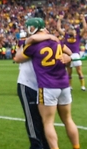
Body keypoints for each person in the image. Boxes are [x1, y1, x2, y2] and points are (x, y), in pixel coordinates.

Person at [19, 17, 80, 149]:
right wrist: (68, 58)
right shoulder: (57, 42)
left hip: (47, 85)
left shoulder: (32, 45)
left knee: (47, 123)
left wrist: (34, 39)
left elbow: (18, 57)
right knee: (68, 119)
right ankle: (76, 146)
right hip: (63, 84)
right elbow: (72, 55)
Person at [14, 26, 50, 149]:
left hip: (42, 86)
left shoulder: (45, 43)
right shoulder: (30, 43)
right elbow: (17, 58)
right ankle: (37, 145)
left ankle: (44, 144)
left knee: (42, 119)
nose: (47, 32)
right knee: (33, 119)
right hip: (28, 84)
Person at [58, 15, 85, 91]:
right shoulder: (66, 36)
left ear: (75, 32)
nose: (71, 30)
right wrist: (59, 20)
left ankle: (82, 86)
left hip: (76, 55)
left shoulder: (78, 36)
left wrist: (83, 19)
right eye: (70, 30)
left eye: (72, 30)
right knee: (69, 72)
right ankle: (70, 86)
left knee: (79, 72)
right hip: (67, 55)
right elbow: (59, 29)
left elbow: (85, 28)